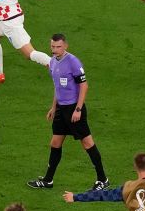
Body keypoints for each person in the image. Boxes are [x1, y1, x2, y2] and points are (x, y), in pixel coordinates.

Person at [28, 34, 108, 191]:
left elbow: (84, 86)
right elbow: (57, 87)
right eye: (52, 47)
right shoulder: (52, 63)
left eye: (58, 47)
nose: (55, 50)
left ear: (65, 46)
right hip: (61, 109)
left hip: (74, 109)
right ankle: (48, 180)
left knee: (87, 143)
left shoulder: (73, 62)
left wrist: (78, 109)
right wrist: (53, 107)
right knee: (55, 143)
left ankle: (103, 179)